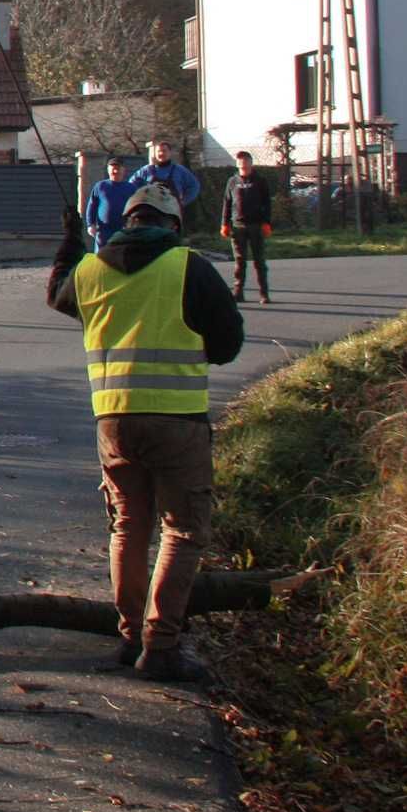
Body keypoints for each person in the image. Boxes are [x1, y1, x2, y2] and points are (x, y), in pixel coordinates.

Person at [48, 184, 243, 682]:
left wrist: (71, 243)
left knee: (128, 526)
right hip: (177, 418)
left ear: (127, 220)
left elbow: (58, 295)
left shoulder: (91, 271)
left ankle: (129, 634)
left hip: (112, 421)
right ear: (172, 224)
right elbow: (227, 343)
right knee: (181, 530)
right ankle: (161, 647)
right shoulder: (187, 266)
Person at [219, 150, 273, 305]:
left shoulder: (260, 180)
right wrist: (224, 223)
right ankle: (238, 292)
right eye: (240, 161)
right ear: (237, 164)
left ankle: (264, 293)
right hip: (238, 226)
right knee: (240, 261)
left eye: (245, 160)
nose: (243, 163)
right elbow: (227, 203)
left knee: (259, 261)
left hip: (256, 225)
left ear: (250, 162)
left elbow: (267, 203)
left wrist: (267, 222)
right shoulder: (232, 181)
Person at [127, 137, 200, 211]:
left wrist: (183, 201)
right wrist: (139, 199)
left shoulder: (180, 170)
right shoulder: (146, 170)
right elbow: (130, 185)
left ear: (170, 152)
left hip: (172, 212)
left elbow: (194, 186)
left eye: (164, 151)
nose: (161, 153)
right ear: (155, 153)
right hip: (149, 211)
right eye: (159, 151)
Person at [85, 156, 137, 252]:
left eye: (118, 169)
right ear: (108, 170)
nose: (115, 171)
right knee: (101, 259)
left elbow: (136, 209)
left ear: (123, 170)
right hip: (103, 231)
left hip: (124, 230)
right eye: (113, 169)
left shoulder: (131, 188)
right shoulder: (100, 186)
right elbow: (92, 207)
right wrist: (90, 224)